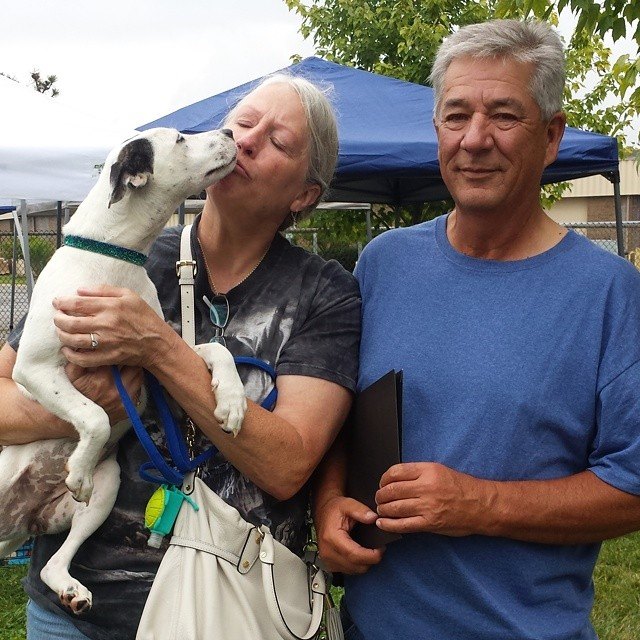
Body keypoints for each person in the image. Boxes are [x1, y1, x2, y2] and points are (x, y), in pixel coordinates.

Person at [0, 74, 361, 640]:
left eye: (278, 142)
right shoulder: (112, 259)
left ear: (304, 196)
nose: (244, 140)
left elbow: (287, 467)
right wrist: (86, 411)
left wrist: (157, 347)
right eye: (242, 123)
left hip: (228, 608)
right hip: (76, 613)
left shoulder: (325, 294)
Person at [313, 18, 640, 640]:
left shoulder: (610, 294)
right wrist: (328, 502)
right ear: (436, 128)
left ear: (550, 137)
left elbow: (632, 487)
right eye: (456, 115)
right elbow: (341, 414)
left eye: (504, 116)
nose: (475, 140)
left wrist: (479, 504)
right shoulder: (385, 263)